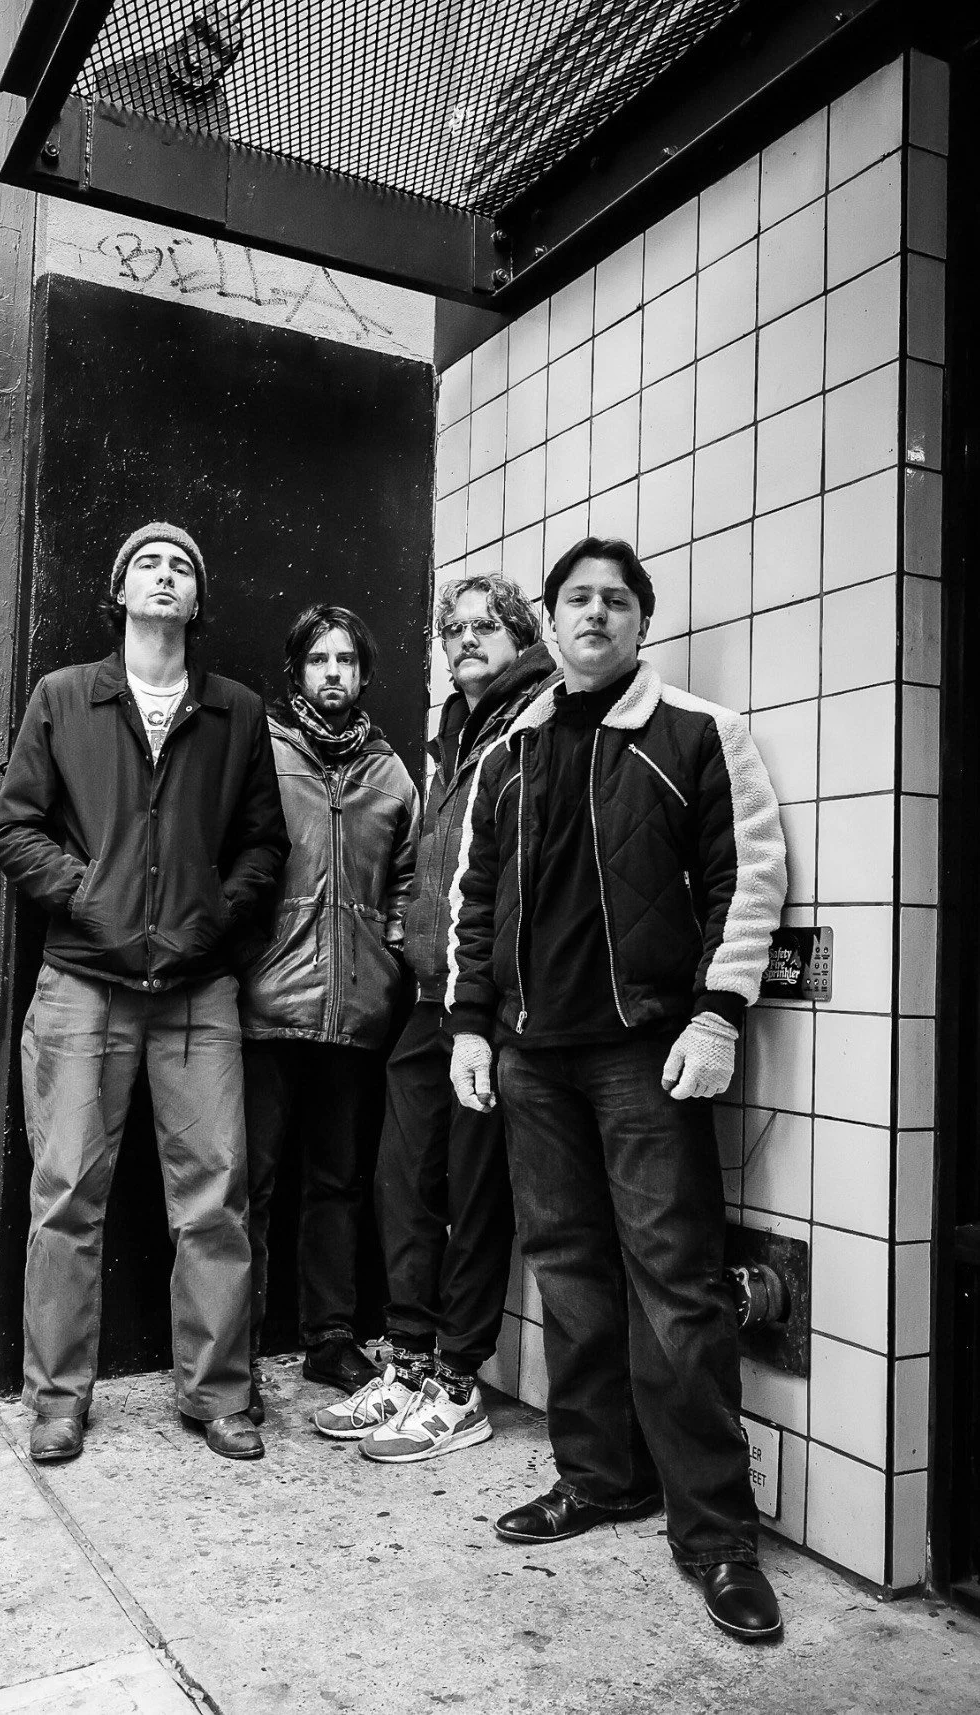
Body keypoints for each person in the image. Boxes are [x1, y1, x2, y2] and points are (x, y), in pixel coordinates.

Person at [445, 537, 788, 1642]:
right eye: (576, 599)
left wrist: (716, 1012)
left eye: (616, 599)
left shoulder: (695, 733)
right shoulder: (513, 749)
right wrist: (469, 1024)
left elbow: (750, 878)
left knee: (676, 1287)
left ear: (642, 620)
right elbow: (474, 894)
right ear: (549, 622)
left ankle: (717, 1534)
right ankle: (600, 1479)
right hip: (533, 1056)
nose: (594, 613)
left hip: (646, 1051)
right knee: (574, 1279)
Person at [0, 523, 289, 1465]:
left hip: (198, 991)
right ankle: (58, 1400)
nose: (167, 576)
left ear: (198, 603)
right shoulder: (65, 697)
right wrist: (89, 894)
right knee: (67, 1195)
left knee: (214, 1198)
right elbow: (12, 827)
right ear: (120, 592)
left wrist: (207, 916)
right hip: (83, 981)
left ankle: (218, 1395)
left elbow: (264, 845)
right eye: (149, 565)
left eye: (185, 567)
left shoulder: (234, 710)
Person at [312, 575, 558, 1459]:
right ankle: (408, 1357)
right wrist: (402, 924)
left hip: (486, 1005)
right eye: (451, 628)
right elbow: (434, 863)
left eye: (483, 625)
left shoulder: (542, 718)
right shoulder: (456, 736)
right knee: (403, 1182)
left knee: (472, 1191)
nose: (463, 639)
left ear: (522, 634)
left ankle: (459, 1380)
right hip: (427, 995)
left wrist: (482, 1005)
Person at [239, 604, 420, 1398]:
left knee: (338, 1182)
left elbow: (410, 882)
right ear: (297, 672)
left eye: (348, 660)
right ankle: (230, 1347)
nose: (335, 673)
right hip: (267, 1004)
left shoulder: (391, 773)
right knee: (248, 1182)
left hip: (356, 1011)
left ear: (365, 675)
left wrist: (391, 949)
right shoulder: (261, 753)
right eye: (320, 660)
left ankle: (329, 1338)